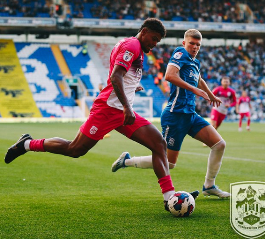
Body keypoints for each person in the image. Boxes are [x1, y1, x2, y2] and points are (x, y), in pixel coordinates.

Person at [4, 18, 193, 210]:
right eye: (153, 39)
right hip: (108, 110)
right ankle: (27, 144)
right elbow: (115, 76)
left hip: (121, 110)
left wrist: (131, 89)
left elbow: (120, 75)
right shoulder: (133, 45)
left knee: (158, 143)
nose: (154, 44)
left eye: (157, 41)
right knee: (75, 150)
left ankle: (169, 197)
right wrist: (127, 107)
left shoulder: (133, 46)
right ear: (144, 32)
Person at [112, 29, 230, 198]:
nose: (195, 47)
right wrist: (195, 90)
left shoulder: (194, 62)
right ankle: (127, 161)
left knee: (219, 145)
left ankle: (209, 185)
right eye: (192, 43)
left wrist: (211, 95)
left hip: (190, 114)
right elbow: (169, 75)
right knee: (169, 163)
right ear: (184, 43)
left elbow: (198, 79)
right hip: (175, 115)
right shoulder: (180, 53)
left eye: (198, 45)